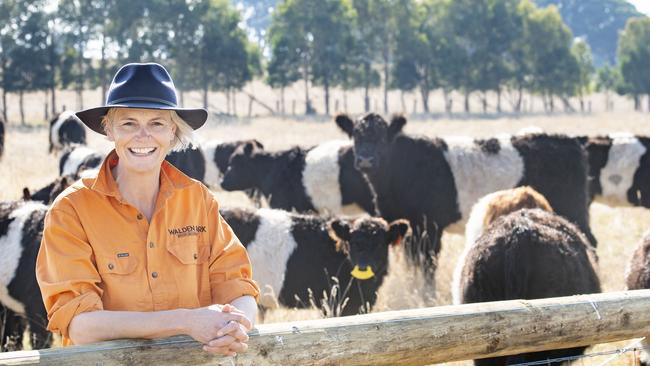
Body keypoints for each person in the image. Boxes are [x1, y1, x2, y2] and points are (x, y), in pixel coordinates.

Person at [36, 63, 259, 357]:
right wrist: (185, 320)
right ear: (109, 130)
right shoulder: (71, 210)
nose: (143, 136)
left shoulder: (198, 200)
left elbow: (238, 287)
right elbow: (80, 326)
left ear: (173, 132)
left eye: (156, 123)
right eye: (128, 123)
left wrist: (237, 326)